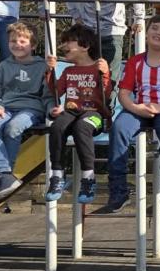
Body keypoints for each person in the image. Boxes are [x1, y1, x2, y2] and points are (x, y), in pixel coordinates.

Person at [102, 16, 160, 214]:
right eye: (155, 28)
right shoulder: (136, 62)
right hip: (140, 108)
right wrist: (136, 108)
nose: (158, 33)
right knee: (119, 127)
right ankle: (118, 189)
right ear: (147, 32)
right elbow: (124, 93)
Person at [0, 22, 53, 199]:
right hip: (6, 107)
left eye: (23, 41)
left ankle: (2, 175)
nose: (17, 44)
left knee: (13, 127)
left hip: (31, 109)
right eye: (13, 41)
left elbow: (49, 94)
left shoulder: (42, 66)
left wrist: (51, 111)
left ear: (33, 45)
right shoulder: (4, 66)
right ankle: (4, 173)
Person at [44, 25, 113, 204]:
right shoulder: (68, 71)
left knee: (82, 126)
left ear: (85, 46)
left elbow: (107, 93)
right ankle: (57, 175)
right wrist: (50, 71)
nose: (64, 46)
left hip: (94, 114)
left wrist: (105, 73)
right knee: (57, 126)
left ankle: (88, 178)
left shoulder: (98, 68)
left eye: (69, 42)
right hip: (72, 111)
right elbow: (56, 92)